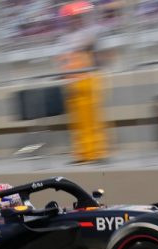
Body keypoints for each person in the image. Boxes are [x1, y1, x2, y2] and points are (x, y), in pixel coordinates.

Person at [56, 1, 109, 164]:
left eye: (76, 17)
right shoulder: (65, 38)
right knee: (77, 122)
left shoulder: (90, 32)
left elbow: (91, 42)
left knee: (91, 118)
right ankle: (82, 153)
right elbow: (64, 58)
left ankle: (97, 153)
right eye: (70, 19)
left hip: (87, 79)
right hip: (72, 82)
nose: (73, 21)